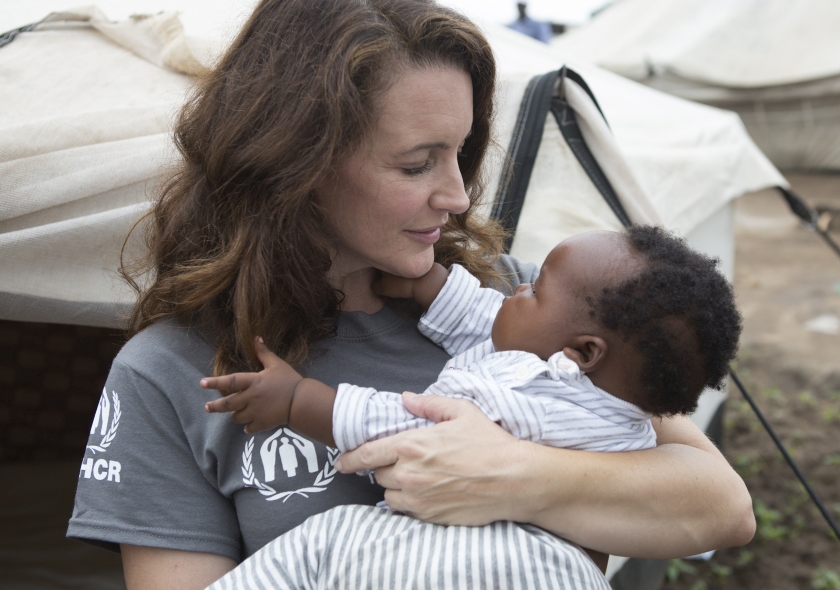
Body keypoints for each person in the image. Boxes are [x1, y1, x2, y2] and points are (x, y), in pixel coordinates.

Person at [67, 0, 754, 589]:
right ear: (295, 163)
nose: (457, 195)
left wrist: (510, 476)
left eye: (460, 152)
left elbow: (720, 508)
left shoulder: (512, 307)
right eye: (416, 163)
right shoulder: (170, 373)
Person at [200, 225, 743, 588]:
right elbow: (489, 320)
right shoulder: (597, 386)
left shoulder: (534, 395)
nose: (518, 285)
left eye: (535, 288)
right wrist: (432, 287)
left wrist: (299, 401)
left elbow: (411, 429)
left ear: (580, 354)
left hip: (488, 560)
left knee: (319, 544)